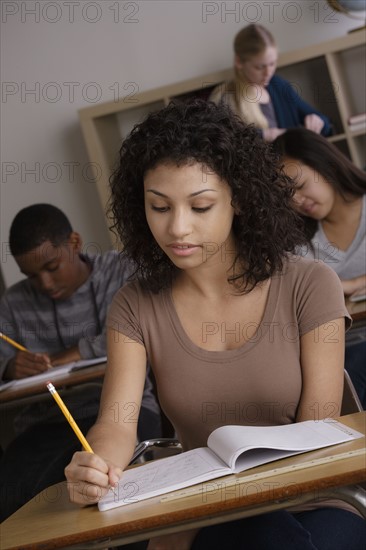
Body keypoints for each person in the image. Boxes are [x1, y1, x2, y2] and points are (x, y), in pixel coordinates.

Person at [64, 100, 365, 550]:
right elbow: (119, 421)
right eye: (159, 207)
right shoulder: (134, 305)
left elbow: (317, 432)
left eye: (200, 206)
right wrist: (96, 465)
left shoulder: (309, 283)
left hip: (317, 499)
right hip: (212, 509)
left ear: (239, 199)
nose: (177, 228)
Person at [0, 203, 161, 522]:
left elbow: (141, 326)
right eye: (31, 276)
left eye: (52, 266)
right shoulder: (13, 303)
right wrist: (9, 367)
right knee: (14, 498)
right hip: (44, 422)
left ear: (74, 243)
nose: (44, 283)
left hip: (123, 411)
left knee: (89, 487)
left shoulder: (122, 270)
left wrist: (67, 355)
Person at [273, 128, 366, 409]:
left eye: (299, 186)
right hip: (335, 349)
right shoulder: (300, 240)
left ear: (325, 165)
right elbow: (294, 296)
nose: (296, 201)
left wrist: (346, 283)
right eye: (287, 195)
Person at [209, 24, 332, 141]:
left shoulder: (279, 86)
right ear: (239, 62)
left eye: (272, 64)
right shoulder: (226, 97)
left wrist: (318, 121)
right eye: (260, 67)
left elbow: (328, 126)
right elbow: (220, 141)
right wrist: (263, 135)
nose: (268, 73)